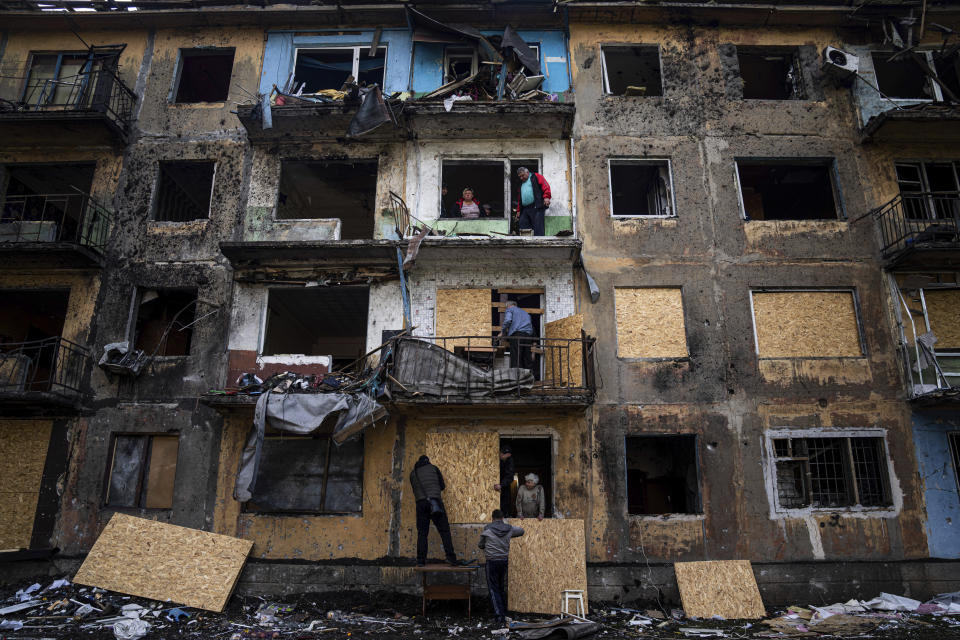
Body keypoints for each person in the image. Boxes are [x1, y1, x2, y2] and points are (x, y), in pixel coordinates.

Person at [410, 454, 462, 566]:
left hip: (421, 504)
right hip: (435, 503)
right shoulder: (434, 468)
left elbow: (415, 490)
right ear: (428, 461)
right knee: (444, 531)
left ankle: (420, 560)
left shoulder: (413, 473)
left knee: (422, 533)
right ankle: (451, 557)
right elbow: (442, 486)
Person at [478, 509, 524, 628]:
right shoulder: (509, 529)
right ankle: (504, 613)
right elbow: (522, 531)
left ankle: (499, 617)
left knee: (493, 589)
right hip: (503, 561)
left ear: (492, 518)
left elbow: (480, 545)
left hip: (492, 562)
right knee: (501, 588)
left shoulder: (487, 529)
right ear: (502, 517)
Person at [514, 166, 551, 236]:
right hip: (525, 209)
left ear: (527, 172)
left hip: (536, 206)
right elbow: (520, 198)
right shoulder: (521, 183)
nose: (521, 178)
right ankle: (526, 244)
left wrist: (546, 197)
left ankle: (539, 244)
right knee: (523, 225)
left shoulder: (536, 176)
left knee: (538, 227)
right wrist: (518, 210)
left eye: (522, 175)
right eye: (520, 177)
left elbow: (545, 186)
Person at [500, 300, 534, 370]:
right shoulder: (526, 313)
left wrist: (503, 332)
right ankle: (529, 375)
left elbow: (507, 321)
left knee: (516, 356)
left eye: (506, 307)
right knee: (526, 356)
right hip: (528, 336)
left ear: (508, 306)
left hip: (517, 335)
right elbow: (530, 326)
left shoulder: (510, 309)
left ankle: (517, 378)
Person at [494, 445, 514, 517]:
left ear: (508, 455)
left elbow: (510, 477)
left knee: (504, 503)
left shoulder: (510, 462)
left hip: (504, 487)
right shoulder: (497, 460)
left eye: (503, 453)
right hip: (497, 485)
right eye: (501, 453)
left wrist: (501, 485)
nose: (501, 454)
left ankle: (505, 516)